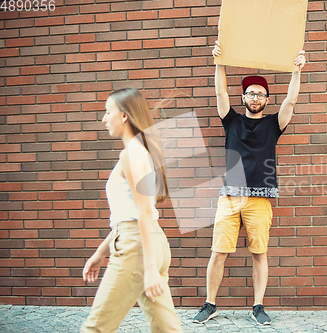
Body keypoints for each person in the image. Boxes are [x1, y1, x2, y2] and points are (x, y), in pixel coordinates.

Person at [192, 41, 306, 326]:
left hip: (260, 198)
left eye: (261, 94)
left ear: (267, 99)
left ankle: (258, 306)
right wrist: (219, 61)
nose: (256, 97)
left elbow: (291, 101)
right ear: (243, 97)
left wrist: (297, 71)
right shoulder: (230, 121)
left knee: (259, 253)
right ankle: (210, 304)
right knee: (218, 252)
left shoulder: (273, 125)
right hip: (229, 197)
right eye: (251, 93)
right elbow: (220, 91)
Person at [81, 88, 182, 333]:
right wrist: (101, 252)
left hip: (137, 251)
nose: (104, 119)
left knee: (95, 329)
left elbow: (143, 212)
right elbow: (131, 214)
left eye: (108, 112)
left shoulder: (132, 154)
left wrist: (148, 269)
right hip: (149, 244)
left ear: (124, 115)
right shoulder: (139, 152)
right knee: (166, 329)